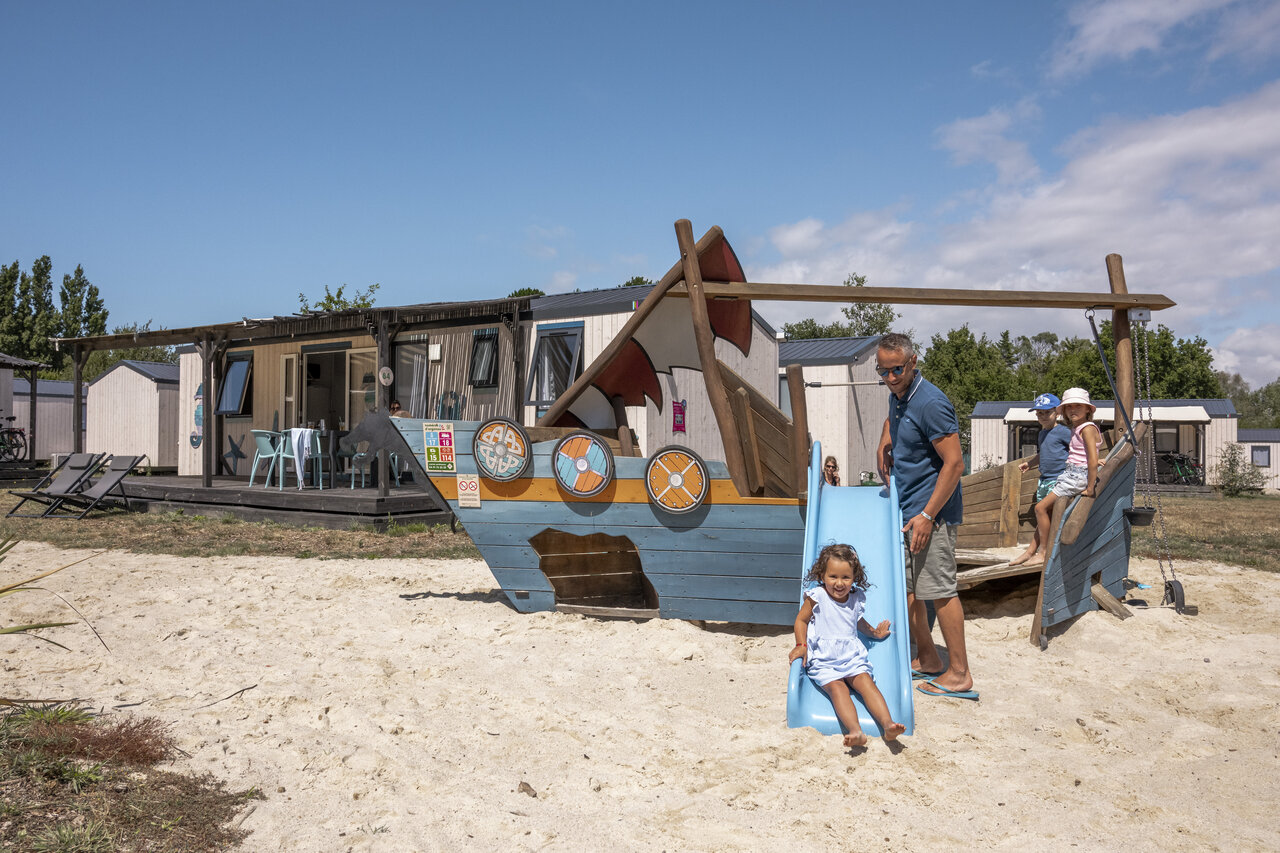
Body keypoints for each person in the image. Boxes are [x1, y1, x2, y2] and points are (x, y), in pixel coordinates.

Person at [873, 333, 976, 700]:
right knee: (911, 591)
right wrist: (885, 444)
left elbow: (955, 463)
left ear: (913, 362)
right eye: (882, 371)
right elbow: (893, 421)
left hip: (932, 514)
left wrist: (928, 516)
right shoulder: (898, 395)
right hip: (907, 509)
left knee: (940, 592)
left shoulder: (931, 402)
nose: (890, 378)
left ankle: (960, 673)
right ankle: (929, 658)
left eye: (897, 369)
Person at [788, 543, 906, 747]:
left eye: (846, 577)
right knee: (838, 689)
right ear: (822, 575)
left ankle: (888, 725)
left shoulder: (855, 598)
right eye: (833, 576)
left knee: (866, 684)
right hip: (824, 660)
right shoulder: (817, 597)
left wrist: (874, 633)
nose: (839, 583)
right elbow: (801, 621)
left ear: (854, 578)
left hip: (851, 656)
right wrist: (801, 644)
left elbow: (856, 621)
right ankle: (855, 731)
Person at [1024, 388, 1103, 566]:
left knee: (1040, 509)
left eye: (1078, 406)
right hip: (1070, 473)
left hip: (1076, 476)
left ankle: (1043, 552)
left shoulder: (1087, 428)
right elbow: (1082, 454)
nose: (1072, 410)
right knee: (1044, 510)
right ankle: (1037, 550)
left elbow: (1091, 458)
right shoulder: (1078, 428)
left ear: (1088, 409)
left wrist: (1090, 488)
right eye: (1069, 407)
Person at [1009, 393, 1072, 567]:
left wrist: (1094, 460)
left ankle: (1043, 552)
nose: (1042, 416)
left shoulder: (1063, 432)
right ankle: (1030, 552)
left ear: (1057, 413)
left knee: (1040, 509)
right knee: (1043, 517)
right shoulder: (1042, 433)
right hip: (1044, 479)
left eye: (1047, 412)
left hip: (1058, 478)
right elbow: (1043, 453)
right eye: (1039, 413)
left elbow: (1078, 448)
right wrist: (1030, 463)